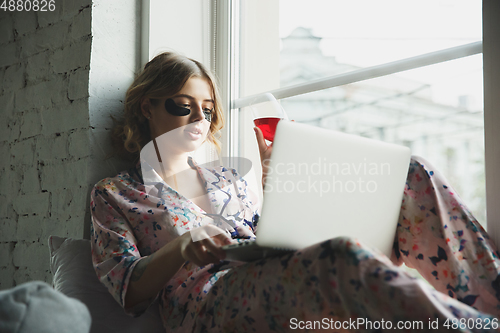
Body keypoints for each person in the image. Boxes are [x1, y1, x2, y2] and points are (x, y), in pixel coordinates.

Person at [90, 52, 500, 332]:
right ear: (148, 107)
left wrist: (278, 188)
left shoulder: (227, 177)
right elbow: (128, 289)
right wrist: (181, 248)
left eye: (208, 108)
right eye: (184, 105)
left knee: (410, 174)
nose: (200, 118)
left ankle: (493, 305)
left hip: (271, 273)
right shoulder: (116, 193)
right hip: (208, 305)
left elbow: (267, 239)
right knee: (342, 254)